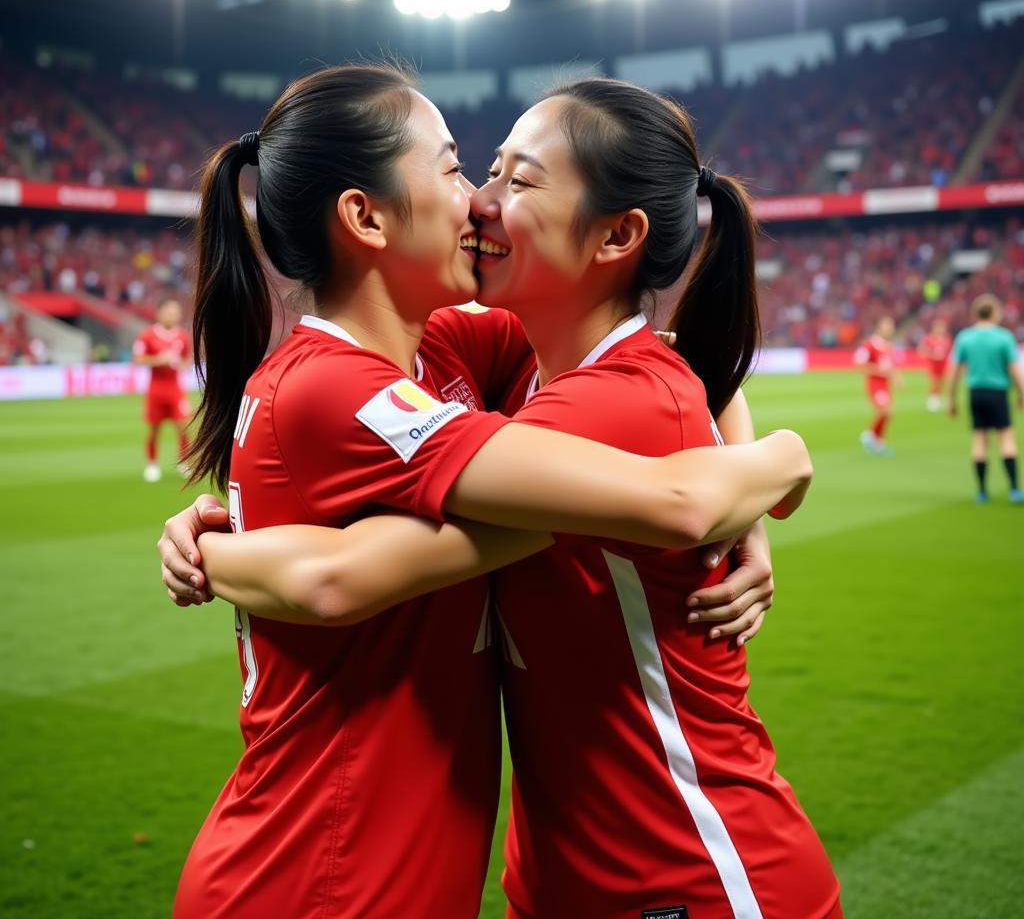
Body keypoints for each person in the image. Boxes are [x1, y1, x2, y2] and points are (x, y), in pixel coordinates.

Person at [162, 75, 837, 917]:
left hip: (673, 870)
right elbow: (669, 468)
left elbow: (674, 376)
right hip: (327, 876)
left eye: (511, 181)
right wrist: (767, 469)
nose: (478, 201)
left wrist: (760, 466)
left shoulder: (460, 360)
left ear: (618, 235)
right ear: (366, 219)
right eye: (462, 172)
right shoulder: (376, 377)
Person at [948, 294, 1024, 504]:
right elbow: (1015, 370)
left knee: (979, 439)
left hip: (976, 392)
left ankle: (982, 491)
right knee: (1006, 439)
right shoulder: (1004, 337)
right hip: (998, 392)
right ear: (994, 312)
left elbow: (954, 371)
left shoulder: (965, 337)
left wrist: (951, 398)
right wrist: (1022, 394)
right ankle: (1015, 489)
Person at [132, 296, 191, 481]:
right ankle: (152, 464)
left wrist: (182, 364)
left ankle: (183, 462)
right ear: (160, 313)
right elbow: (138, 359)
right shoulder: (147, 336)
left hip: (175, 388)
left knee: (183, 426)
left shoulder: (183, 336)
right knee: (154, 429)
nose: (174, 315)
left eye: (176, 312)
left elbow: (187, 360)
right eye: (170, 311)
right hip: (156, 388)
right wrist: (159, 360)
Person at [854, 315, 899, 456]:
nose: (890, 329)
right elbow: (859, 362)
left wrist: (896, 377)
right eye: (887, 326)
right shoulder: (870, 344)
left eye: (891, 326)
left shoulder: (887, 346)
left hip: (885, 384)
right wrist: (879, 371)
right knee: (885, 411)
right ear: (879, 328)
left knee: (888, 413)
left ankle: (878, 442)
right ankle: (869, 436)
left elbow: (888, 366)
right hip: (875, 383)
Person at [920, 317, 952, 412]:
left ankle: (949, 401)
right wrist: (933, 355)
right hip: (933, 364)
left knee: (948, 383)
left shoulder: (947, 339)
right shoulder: (929, 339)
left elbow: (950, 352)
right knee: (935, 383)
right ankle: (933, 402)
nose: (941, 329)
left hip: (944, 364)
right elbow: (922, 351)